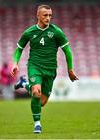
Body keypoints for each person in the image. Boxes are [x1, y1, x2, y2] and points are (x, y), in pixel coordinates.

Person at [10, 4, 78, 134]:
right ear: (38, 16)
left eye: (50, 15)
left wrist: (70, 69)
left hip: (50, 69)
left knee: (41, 102)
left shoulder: (56, 32)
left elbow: (67, 51)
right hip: (34, 66)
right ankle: (37, 125)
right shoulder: (29, 32)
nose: (48, 18)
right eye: (45, 15)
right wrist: (15, 63)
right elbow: (19, 48)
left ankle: (24, 83)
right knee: (36, 92)